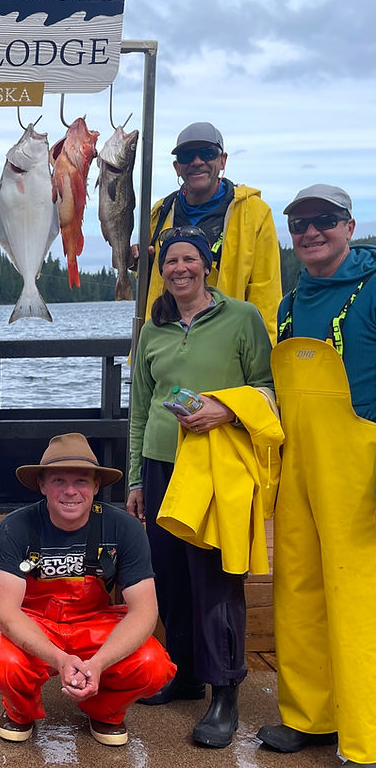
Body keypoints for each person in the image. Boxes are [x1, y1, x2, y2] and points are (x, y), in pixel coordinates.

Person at [126, 226, 275, 747]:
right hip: (164, 469)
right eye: (170, 262)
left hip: (216, 470)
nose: (179, 269)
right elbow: (141, 409)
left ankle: (225, 693)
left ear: (206, 265)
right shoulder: (153, 328)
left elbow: (268, 388)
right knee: (168, 576)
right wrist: (137, 477)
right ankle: (185, 674)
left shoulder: (243, 318)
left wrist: (226, 409)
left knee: (215, 583)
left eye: (189, 259)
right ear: (161, 271)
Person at [257, 185, 376, 765]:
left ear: (349, 226)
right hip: (300, 464)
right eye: (299, 224)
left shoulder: (373, 288)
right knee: (298, 589)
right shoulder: (289, 303)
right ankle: (310, 715)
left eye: (323, 221)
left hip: (360, 463)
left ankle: (367, 732)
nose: (310, 232)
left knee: (359, 592)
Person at [0, 433, 175, 748]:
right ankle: (20, 711)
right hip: (36, 622)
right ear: (41, 484)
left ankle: (104, 711)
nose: (70, 491)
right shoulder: (14, 528)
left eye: (81, 481)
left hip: (96, 622)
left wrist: (98, 663)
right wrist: (58, 658)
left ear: (97, 485)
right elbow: (6, 612)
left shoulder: (125, 529)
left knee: (153, 665)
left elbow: (145, 611)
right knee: (1, 663)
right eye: (58, 481)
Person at [133, 122, 282, 337]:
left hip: (228, 344)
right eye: (186, 156)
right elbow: (157, 280)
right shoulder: (161, 211)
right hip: (167, 343)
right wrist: (137, 263)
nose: (197, 162)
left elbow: (266, 294)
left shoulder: (255, 212)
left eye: (207, 153)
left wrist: (263, 355)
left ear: (222, 161)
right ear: (177, 167)